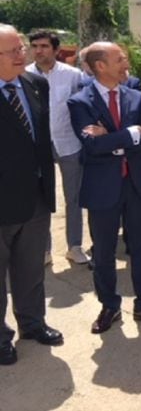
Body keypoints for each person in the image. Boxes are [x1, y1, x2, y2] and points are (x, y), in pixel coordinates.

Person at [68, 42, 141, 334]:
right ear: (101, 66)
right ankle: (109, 306)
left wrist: (112, 138)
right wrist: (128, 134)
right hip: (102, 188)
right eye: (120, 59)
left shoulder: (136, 97)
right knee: (103, 251)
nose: (126, 62)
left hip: (137, 184)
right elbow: (92, 144)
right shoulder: (80, 102)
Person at [0, 24, 62, 366]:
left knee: (30, 270)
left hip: (36, 198)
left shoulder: (35, 84)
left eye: (21, 48)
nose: (22, 55)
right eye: (13, 52)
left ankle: (33, 323)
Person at [26, 30, 90, 266]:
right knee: (41, 198)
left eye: (44, 46)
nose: (38, 50)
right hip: (37, 147)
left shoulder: (73, 76)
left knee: (74, 197)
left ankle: (74, 246)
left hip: (69, 142)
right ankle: (44, 250)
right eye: (35, 46)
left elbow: (83, 106)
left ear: (56, 49)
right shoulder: (24, 76)